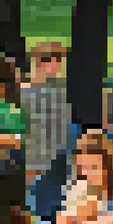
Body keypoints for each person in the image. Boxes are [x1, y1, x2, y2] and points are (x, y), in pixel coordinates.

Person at [21, 41, 71, 187]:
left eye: (58, 60)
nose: (56, 65)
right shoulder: (24, 92)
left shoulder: (61, 89)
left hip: (58, 157)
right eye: (51, 60)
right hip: (33, 157)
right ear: (38, 62)